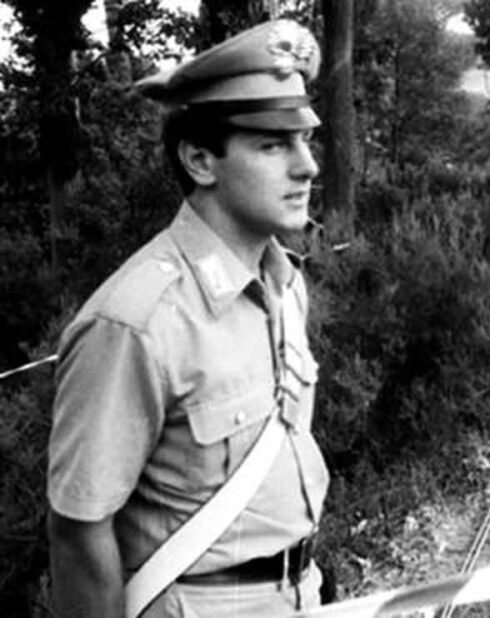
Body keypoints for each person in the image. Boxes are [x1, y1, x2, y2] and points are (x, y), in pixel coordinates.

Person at [47, 20, 330, 617]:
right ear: (201, 160)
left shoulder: (285, 285)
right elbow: (78, 532)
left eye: (305, 140)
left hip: (301, 592)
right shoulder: (136, 322)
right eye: (273, 145)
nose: (306, 166)